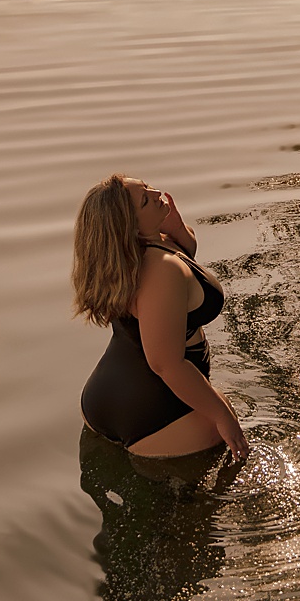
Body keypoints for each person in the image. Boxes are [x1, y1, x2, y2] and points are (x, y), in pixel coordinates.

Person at [72, 174, 249, 462]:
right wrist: (222, 415)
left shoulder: (133, 257)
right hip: (155, 412)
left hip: (102, 398)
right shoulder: (162, 271)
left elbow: (186, 259)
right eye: (145, 200)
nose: (157, 194)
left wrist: (176, 227)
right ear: (131, 227)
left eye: (147, 186)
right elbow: (166, 364)